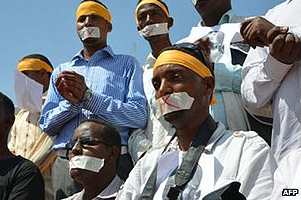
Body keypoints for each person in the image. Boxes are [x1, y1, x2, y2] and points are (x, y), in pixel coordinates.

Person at [118, 43, 276, 200]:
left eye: (175, 78)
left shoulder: (245, 150)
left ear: (208, 85)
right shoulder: (147, 165)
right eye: (156, 84)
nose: (163, 90)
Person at [39, 0, 147, 199]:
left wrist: (88, 97)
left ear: (109, 26)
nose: (87, 22)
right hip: (67, 162)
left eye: (95, 17)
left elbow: (138, 115)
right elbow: (46, 123)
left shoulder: (127, 65)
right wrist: (74, 103)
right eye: (82, 19)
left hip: (112, 162)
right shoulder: (62, 71)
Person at [179, 0, 273, 142]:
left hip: (257, 140)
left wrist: (213, 73)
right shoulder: (183, 46)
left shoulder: (256, 28)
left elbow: (271, 81)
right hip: (203, 149)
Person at [240, 0, 301, 162]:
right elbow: (251, 96)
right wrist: (278, 61)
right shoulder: (276, 14)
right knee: (288, 194)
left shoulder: (271, 26)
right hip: (289, 163)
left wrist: (289, 37)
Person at [128, 0, 175, 162]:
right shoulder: (140, 75)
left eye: (154, 13)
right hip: (155, 159)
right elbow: (135, 126)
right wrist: (146, 155)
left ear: (169, 22)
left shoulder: (188, 61)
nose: (148, 20)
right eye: (142, 17)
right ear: (138, 28)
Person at [9, 54, 57, 200]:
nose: (20, 83)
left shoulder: (59, 109)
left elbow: (49, 149)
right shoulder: (21, 116)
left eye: (24, 76)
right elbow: (12, 149)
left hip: (47, 191)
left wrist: (20, 175)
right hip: (18, 190)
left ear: (43, 74)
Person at [62, 119, 123, 200]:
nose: (74, 149)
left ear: (112, 154)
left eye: (86, 141)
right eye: (71, 145)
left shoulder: (135, 195)